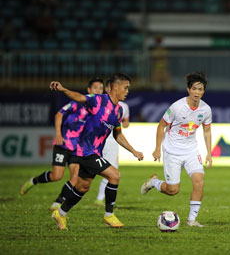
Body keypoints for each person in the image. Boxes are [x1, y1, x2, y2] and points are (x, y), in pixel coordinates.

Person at [49, 73, 144, 230]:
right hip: (84, 151)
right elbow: (79, 97)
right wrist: (63, 89)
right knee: (114, 175)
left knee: (83, 187)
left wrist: (133, 151)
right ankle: (109, 215)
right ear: (116, 87)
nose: (127, 91)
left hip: (94, 152)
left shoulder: (119, 111)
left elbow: (118, 135)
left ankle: (61, 213)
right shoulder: (99, 100)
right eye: (126, 88)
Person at [20, 78, 104, 212]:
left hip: (77, 148)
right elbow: (59, 114)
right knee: (56, 176)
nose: (99, 91)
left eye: (101, 88)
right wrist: (58, 134)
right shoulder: (77, 103)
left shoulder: (97, 110)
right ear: (89, 90)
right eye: (96, 88)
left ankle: (57, 203)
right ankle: (33, 181)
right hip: (63, 144)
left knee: (75, 178)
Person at [141, 72, 212, 227]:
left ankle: (192, 220)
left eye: (200, 89)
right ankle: (154, 182)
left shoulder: (206, 110)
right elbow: (161, 126)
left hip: (191, 151)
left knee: (199, 182)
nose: (197, 92)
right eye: (194, 89)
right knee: (173, 190)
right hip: (172, 151)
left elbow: (207, 131)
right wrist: (157, 148)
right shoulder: (177, 107)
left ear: (203, 91)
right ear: (188, 89)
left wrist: (209, 153)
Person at [94, 79, 130, 206]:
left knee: (112, 171)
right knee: (85, 173)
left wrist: (124, 123)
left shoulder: (123, 107)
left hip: (112, 142)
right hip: (97, 142)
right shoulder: (99, 102)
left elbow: (125, 123)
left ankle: (100, 199)